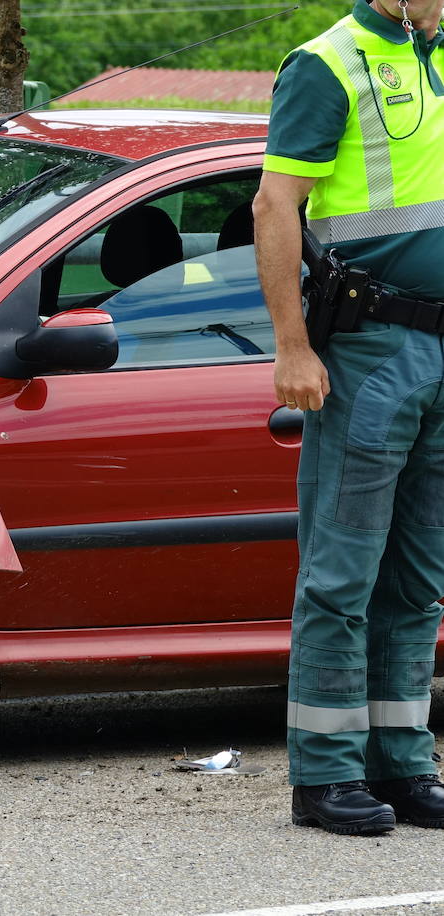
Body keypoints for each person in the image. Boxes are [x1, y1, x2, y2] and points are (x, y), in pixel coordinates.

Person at [254, 0, 444, 835]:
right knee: (342, 576)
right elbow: (273, 207)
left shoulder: (434, 50)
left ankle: (402, 763)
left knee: (419, 580)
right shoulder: (327, 63)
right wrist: (293, 347)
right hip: (370, 350)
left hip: (439, 351)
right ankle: (325, 775)